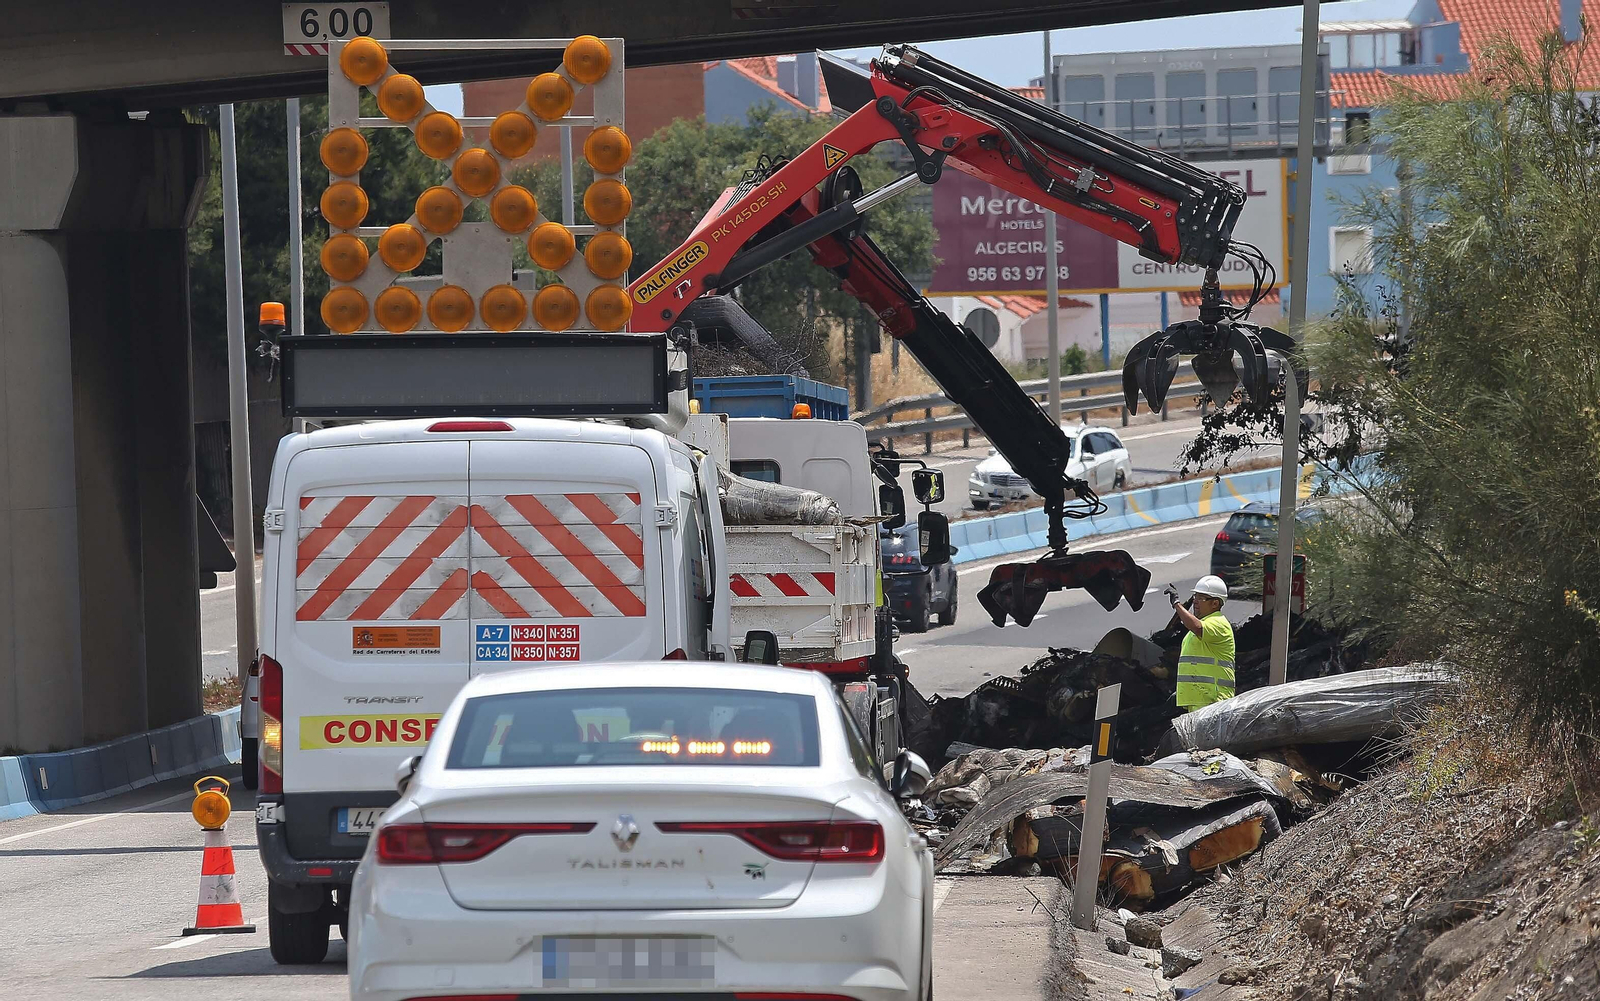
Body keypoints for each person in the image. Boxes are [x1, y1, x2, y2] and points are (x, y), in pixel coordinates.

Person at [1164, 575, 1236, 712]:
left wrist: (1176, 604)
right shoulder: (1201, 627)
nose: (1195, 602)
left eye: (1201, 598)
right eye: (1194, 597)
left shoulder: (1218, 623)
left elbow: (1196, 626)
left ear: (1215, 603)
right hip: (1200, 699)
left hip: (1213, 700)